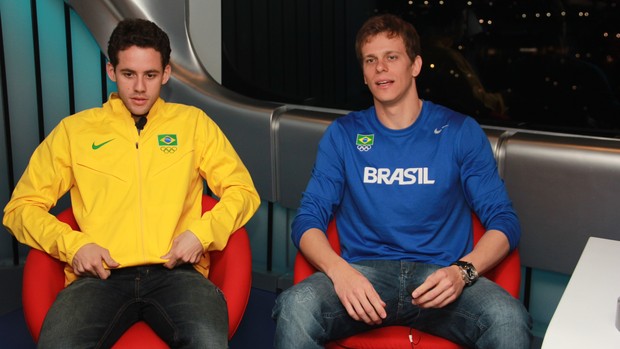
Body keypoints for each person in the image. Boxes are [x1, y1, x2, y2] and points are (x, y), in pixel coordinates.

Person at [272, 14, 531, 349]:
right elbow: (307, 219)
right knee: (295, 307)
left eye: (391, 57)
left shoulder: (459, 131)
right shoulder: (344, 134)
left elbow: (504, 220)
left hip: (439, 278)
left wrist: (462, 272)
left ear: (415, 65)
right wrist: (340, 272)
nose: (381, 68)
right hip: (365, 274)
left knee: (509, 318)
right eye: (371, 60)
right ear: (364, 74)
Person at [3, 18, 259, 348]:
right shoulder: (75, 132)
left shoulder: (193, 124)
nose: (139, 87)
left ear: (165, 73)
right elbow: (19, 209)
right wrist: (73, 245)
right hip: (100, 276)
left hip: (178, 272)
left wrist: (201, 234)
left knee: (208, 343)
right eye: (129, 74)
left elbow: (243, 191)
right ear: (112, 71)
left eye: (150, 75)